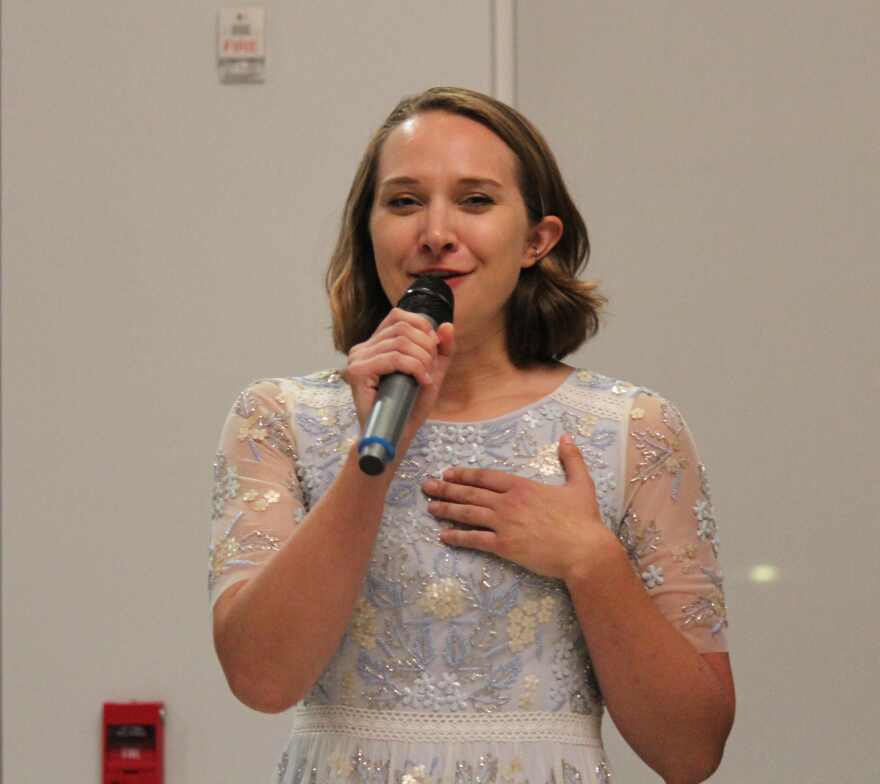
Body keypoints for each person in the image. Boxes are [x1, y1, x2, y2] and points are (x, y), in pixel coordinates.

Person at [209, 86, 735, 784]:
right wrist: (371, 463)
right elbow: (261, 678)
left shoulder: (634, 429)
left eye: (476, 201)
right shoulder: (279, 418)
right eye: (404, 202)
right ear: (369, 231)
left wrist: (590, 560)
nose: (435, 232)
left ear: (537, 240)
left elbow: (692, 751)